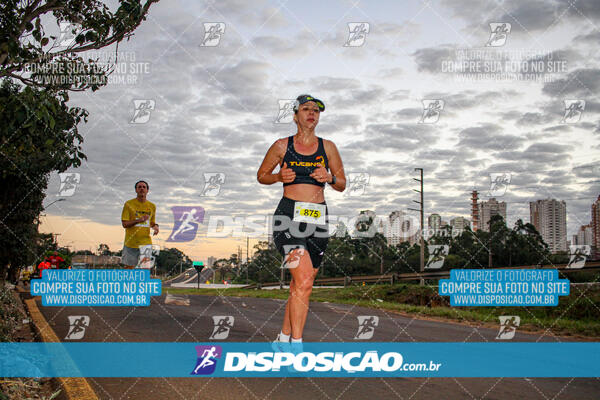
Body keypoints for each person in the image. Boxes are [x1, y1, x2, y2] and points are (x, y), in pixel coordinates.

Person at [257, 94, 346, 349]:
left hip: (318, 219)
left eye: (316, 111)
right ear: (295, 115)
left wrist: (329, 177)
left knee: (301, 284)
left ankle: (282, 339)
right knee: (305, 281)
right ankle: (296, 347)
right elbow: (261, 175)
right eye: (306, 109)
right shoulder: (281, 146)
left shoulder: (327, 147)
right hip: (288, 218)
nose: (312, 114)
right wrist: (277, 177)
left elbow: (342, 184)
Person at [120, 180, 159, 268]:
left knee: (145, 269)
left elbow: (151, 223)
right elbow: (124, 224)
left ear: (147, 190)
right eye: (139, 187)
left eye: (144, 187)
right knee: (128, 270)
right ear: (136, 190)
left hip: (146, 242)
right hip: (131, 242)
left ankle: (142, 282)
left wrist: (156, 227)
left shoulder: (152, 206)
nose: (142, 189)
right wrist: (139, 220)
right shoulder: (128, 204)